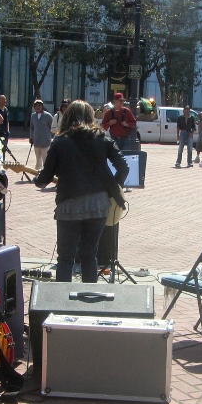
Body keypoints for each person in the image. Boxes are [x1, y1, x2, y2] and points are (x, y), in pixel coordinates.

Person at [35, 100, 129, 283]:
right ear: (90, 117)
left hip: (69, 205)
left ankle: (63, 304)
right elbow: (124, 168)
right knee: (89, 254)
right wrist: (110, 188)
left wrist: (37, 180)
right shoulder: (102, 138)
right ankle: (89, 302)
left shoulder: (60, 141)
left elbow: (45, 179)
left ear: (68, 117)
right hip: (98, 204)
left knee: (65, 258)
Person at [29, 99, 53, 171]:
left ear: (42, 106)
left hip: (45, 141)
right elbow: (31, 128)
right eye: (36, 106)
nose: (38, 107)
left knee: (45, 158)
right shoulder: (33, 116)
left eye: (39, 105)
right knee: (37, 158)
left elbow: (52, 127)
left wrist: (49, 136)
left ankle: (46, 172)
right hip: (36, 141)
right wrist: (31, 137)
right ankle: (37, 172)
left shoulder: (48, 116)